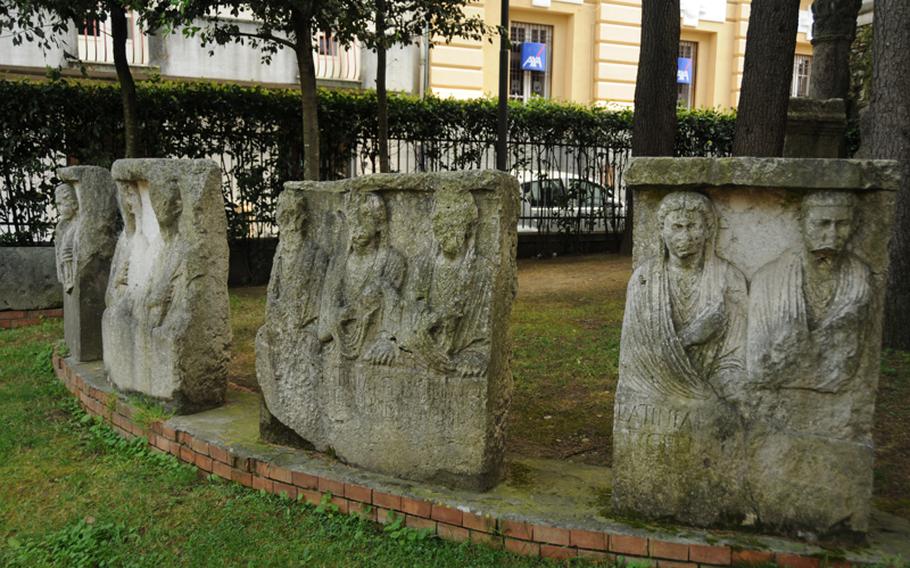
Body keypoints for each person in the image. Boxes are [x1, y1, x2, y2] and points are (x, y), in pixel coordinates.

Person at [618, 191, 747, 401]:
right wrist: (692, 336)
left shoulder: (729, 279)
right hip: (653, 398)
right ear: (661, 230)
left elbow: (737, 358)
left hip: (717, 395)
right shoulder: (644, 280)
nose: (684, 237)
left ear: (708, 230)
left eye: (692, 227)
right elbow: (635, 359)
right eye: (676, 227)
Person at [747, 191, 870, 393]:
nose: (832, 234)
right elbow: (758, 368)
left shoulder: (859, 278)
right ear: (801, 222)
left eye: (842, 224)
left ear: (854, 225)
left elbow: (850, 364)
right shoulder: (767, 279)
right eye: (822, 223)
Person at [406, 190, 490, 377]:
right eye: (442, 228)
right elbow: (414, 303)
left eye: (454, 227)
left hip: (462, 347)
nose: (447, 234)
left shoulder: (480, 270)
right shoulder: (423, 264)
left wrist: (475, 353)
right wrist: (427, 319)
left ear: (467, 229)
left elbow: (483, 328)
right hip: (425, 340)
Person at [318, 192, 405, 365]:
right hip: (337, 354)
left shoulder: (393, 261)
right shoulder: (339, 264)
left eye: (364, 215)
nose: (357, 223)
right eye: (352, 216)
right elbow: (323, 332)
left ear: (379, 222)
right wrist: (343, 314)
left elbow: (394, 319)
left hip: (376, 352)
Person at [54, 183, 79, 293]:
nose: (59, 209)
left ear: (74, 204)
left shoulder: (78, 225)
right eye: (57, 205)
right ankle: (68, 279)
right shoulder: (64, 226)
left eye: (62, 204)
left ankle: (69, 279)